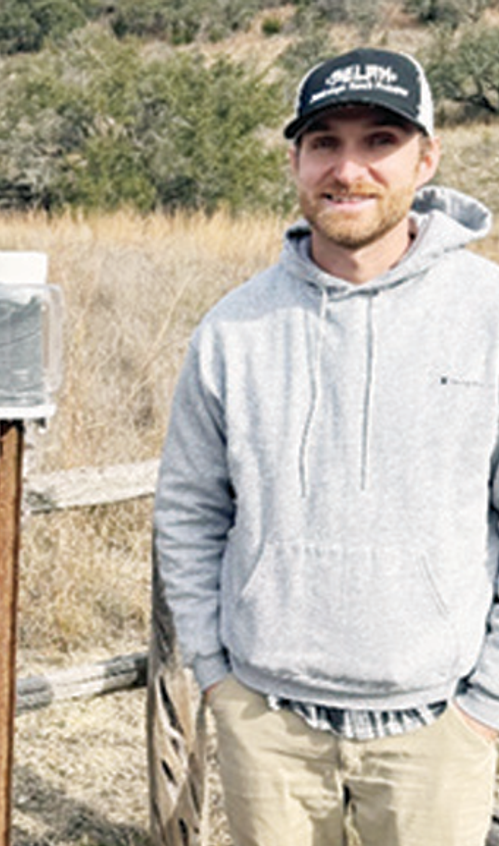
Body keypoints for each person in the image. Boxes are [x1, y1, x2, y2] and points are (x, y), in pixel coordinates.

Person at [154, 47, 499, 845]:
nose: (349, 169)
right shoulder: (233, 329)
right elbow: (189, 509)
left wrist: (485, 706)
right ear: (295, 161)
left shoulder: (487, 316)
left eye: (380, 140)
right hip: (267, 726)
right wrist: (216, 676)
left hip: (436, 731)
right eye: (325, 143)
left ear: (427, 156)